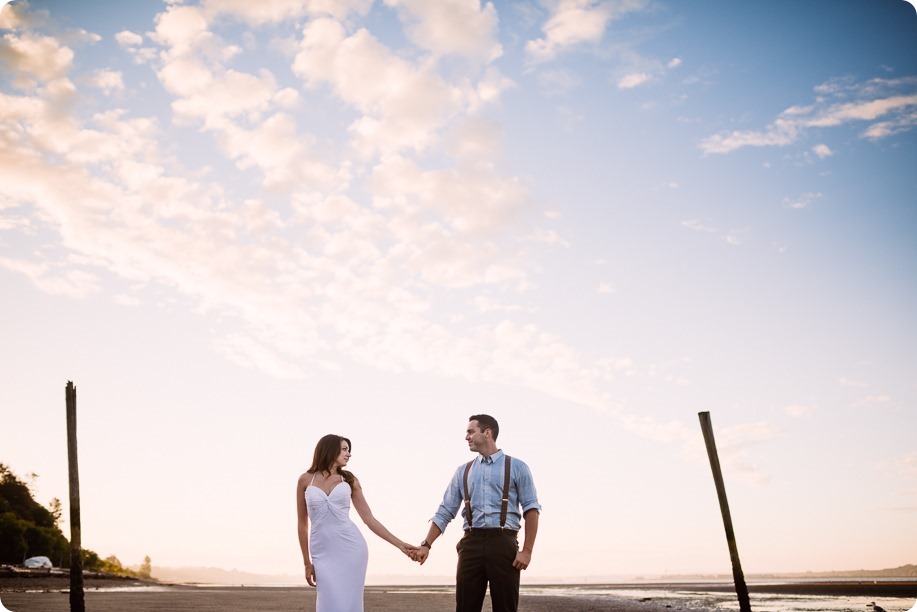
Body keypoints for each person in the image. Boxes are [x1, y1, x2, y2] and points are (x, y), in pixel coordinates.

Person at [413, 414, 541, 612]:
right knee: (465, 607)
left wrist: (527, 551)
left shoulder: (517, 467)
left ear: (487, 433)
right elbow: (445, 511)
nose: (467, 437)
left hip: (504, 543)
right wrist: (426, 544)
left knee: (506, 608)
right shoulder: (463, 471)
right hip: (471, 543)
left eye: (471, 432)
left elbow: (531, 509)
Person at [296, 434, 417, 611]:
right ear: (330, 450)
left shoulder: (349, 480)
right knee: (327, 602)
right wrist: (307, 563)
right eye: (344, 449)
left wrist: (400, 544)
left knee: (349, 604)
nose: (349, 454)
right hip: (322, 552)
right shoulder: (306, 480)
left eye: (348, 450)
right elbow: (302, 524)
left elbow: (369, 519)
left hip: (351, 549)